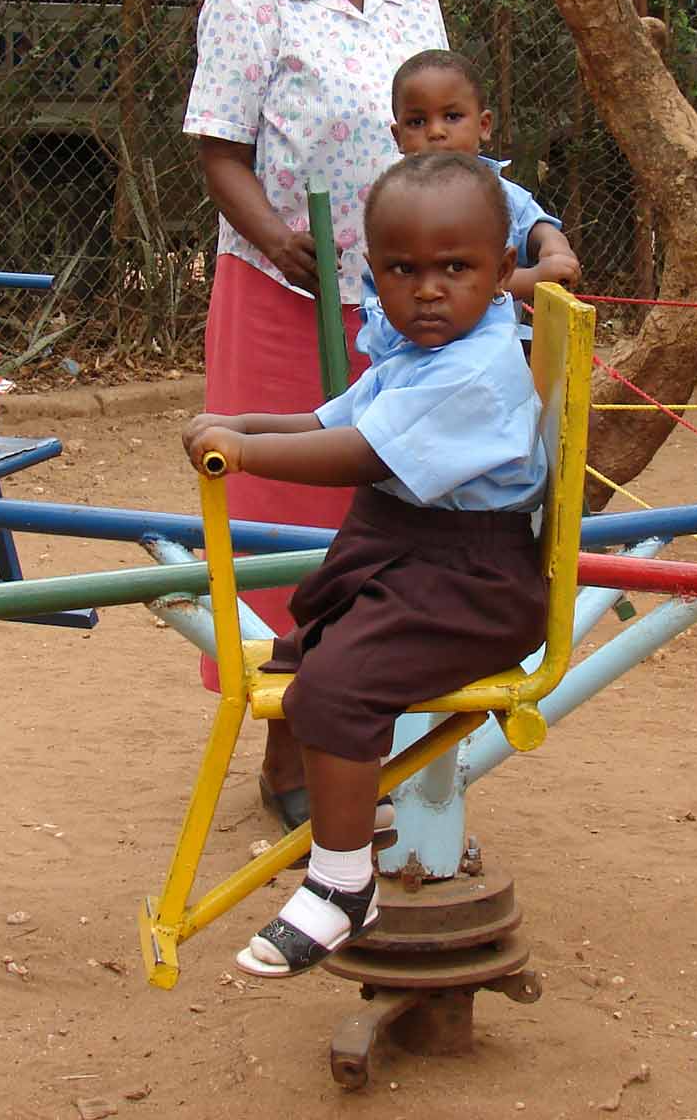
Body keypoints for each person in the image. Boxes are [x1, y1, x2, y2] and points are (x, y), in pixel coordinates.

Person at [183, 152, 548, 976]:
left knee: (334, 689)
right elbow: (330, 415)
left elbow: (359, 455)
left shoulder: (477, 369)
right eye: (402, 270)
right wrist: (244, 419)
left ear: (501, 274)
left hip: (470, 584)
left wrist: (243, 451)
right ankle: (336, 810)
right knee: (303, 649)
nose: (427, 289)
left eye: (455, 268)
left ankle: (344, 883)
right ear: (370, 271)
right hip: (406, 554)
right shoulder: (420, 348)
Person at [184, 0, 448, 835]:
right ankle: (288, 738)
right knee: (283, 522)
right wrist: (280, 239)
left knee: (382, 512)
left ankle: (365, 720)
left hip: (403, 301)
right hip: (281, 292)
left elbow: (436, 125)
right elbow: (219, 146)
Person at [388, 49, 580, 302]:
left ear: (484, 125)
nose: (435, 131)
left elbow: (534, 225)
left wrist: (554, 247)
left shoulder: (500, 190)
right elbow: (459, 282)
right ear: (398, 136)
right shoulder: (401, 206)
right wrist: (536, 278)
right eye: (417, 122)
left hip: (498, 338)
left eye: (452, 116)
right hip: (430, 339)